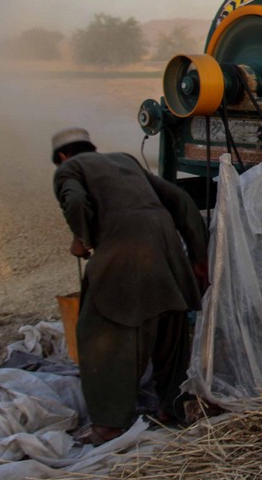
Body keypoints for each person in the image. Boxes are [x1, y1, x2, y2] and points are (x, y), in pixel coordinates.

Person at [51, 127, 209, 444]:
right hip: (168, 256)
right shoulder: (124, 160)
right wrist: (198, 258)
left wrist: (83, 239)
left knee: (99, 334)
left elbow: (77, 201)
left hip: (122, 256)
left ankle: (109, 424)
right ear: (92, 147)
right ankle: (173, 409)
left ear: (62, 156)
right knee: (170, 331)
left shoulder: (70, 169)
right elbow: (179, 199)